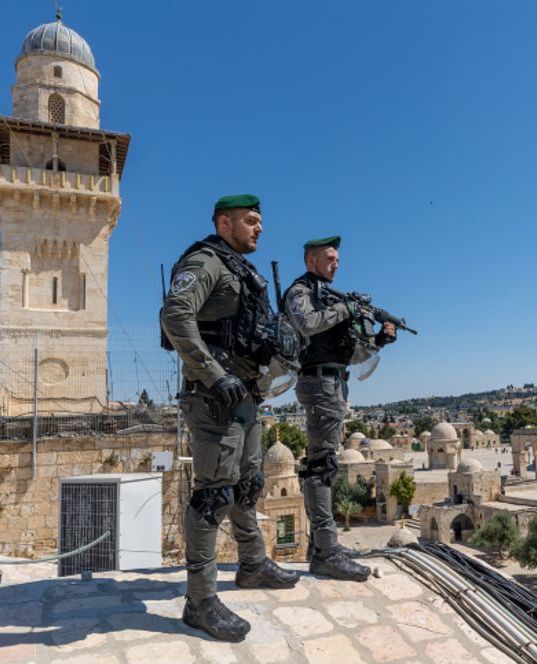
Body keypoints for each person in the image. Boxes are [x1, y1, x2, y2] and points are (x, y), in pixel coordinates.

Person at [160, 194, 299, 642]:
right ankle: (199, 601)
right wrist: (214, 374)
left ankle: (253, 564)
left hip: (247, 393)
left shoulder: (239, 268)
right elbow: (175, 315)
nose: (259, 228)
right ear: (225, 222)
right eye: (251, 221)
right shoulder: (205, 262)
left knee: (248, 484)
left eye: (261, 221)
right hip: (215, 395)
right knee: (212, 496)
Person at [283, 236, 396, 581]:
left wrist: (378, 340)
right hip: (318, 384)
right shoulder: (301, 292)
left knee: (325, 464)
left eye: (337, 259)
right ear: (311, 261)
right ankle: (326, 552)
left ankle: (321, 546)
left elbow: (347, 354)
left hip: (333, 381)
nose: (336, 264)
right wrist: (346, 308)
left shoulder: (328, 298)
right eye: (329, 258)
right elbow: (306, 323)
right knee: (321, 466)